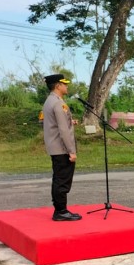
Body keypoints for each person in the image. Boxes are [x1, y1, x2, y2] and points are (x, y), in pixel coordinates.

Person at [42, 73, 81, 221]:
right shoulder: (58, 103)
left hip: (55, 146)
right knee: (62, 180)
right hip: (61, 148)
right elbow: (63, 130)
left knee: (58, 178)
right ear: (58, 85)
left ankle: (60, 209)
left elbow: (57, 123)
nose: (67, 86)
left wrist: (71, 121)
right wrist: (71, 151)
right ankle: (61, 211)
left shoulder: (50, 101)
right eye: (64, 84)